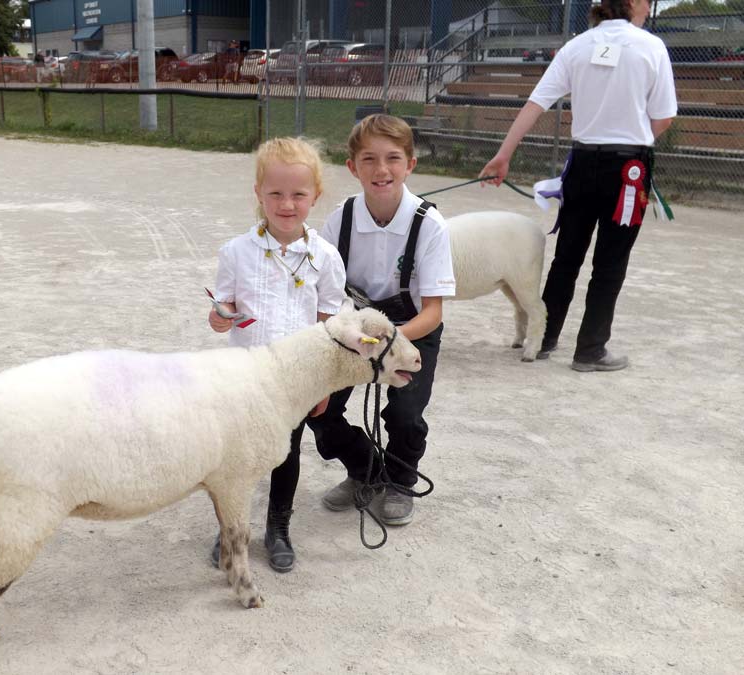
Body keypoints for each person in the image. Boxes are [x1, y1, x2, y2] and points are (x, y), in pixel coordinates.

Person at [479, 0, 677, 372]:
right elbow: (664, 117)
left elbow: (536, 103)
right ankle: (590, 349)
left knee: (566, 256)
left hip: (582, 163)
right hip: (627, 169)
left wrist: (503, 155)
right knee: (610, 262)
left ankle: (544, 339)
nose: (649, 9)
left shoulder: (577, 45)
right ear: (633, 3)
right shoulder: (651, 47)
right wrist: (635, 140)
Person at [207, 137, 346, 572]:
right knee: (237, 460)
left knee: (287, 455)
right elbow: (223, 307)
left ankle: (279, 528)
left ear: (315, 197)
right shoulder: (235, 252)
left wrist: (325, 383)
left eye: (298, 194)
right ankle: (232, 529)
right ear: (259, 194)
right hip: (245, 379)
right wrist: (220, 318)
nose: (287, 204)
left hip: (296, 383)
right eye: (276, 194)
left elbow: (331, 328)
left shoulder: (326, 257)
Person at [310, 114, 456, 526]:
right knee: (317, 405)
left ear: (410, 164)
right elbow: (325, 292)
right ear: (353, 166)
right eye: (369, 159)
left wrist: (387, 344)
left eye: (393, 158)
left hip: (411, 329)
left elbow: (433, 312)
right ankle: (366, 471)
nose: (382, 169)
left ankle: (401, 479)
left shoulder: (429, 224)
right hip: (351, 327)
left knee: (405, 414)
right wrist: (351, 339)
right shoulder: (341, 218)